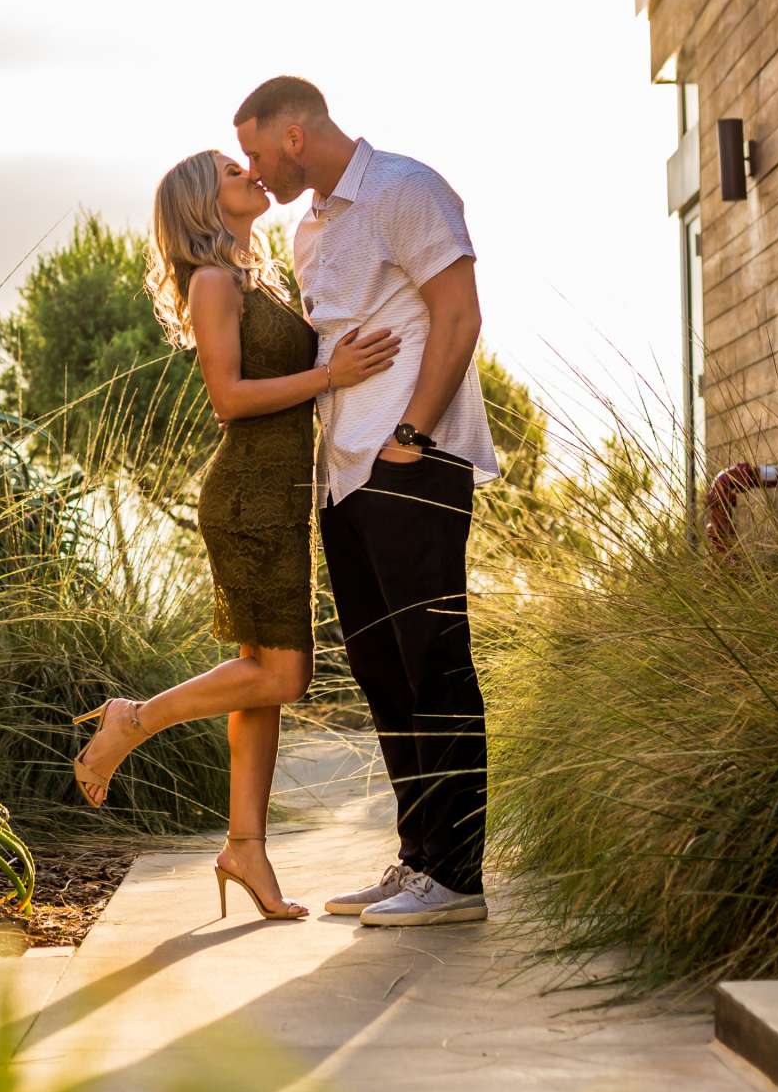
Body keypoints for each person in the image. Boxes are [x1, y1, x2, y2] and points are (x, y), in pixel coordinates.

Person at [70, 148, 397, 921]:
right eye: (229, 171)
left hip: (281, 497)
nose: (250, 172)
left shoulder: (258, 276)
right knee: (283, 677)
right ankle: (133, 721)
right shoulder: (214, 283)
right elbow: (229, 398)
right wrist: (330, 376)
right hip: (248, 497)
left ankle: (244, 850)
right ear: (202, 204)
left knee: (262, 680)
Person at [234, 75, 498, 927]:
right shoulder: (311, 231)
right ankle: (419, 858)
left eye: (256, 152)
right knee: (385, 674)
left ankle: (457, 877)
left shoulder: (404, 190)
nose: (255, 170)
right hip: (344, 479)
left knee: (434, 662)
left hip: (411, 464)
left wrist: (413, 437)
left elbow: (458, 316)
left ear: (296, 135)